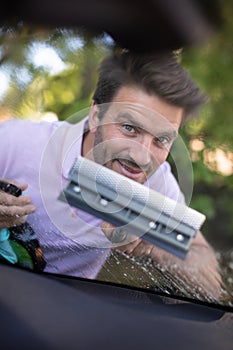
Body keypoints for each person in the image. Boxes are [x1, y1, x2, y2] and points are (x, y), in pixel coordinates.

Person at [0, 51, 222, 298]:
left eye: (161, 139)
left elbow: (211, 282)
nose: (142, 157)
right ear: (96, 115)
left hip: (65, 314)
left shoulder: (156, 183)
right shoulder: (16, 142)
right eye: (129, 128)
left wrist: (160, 249)